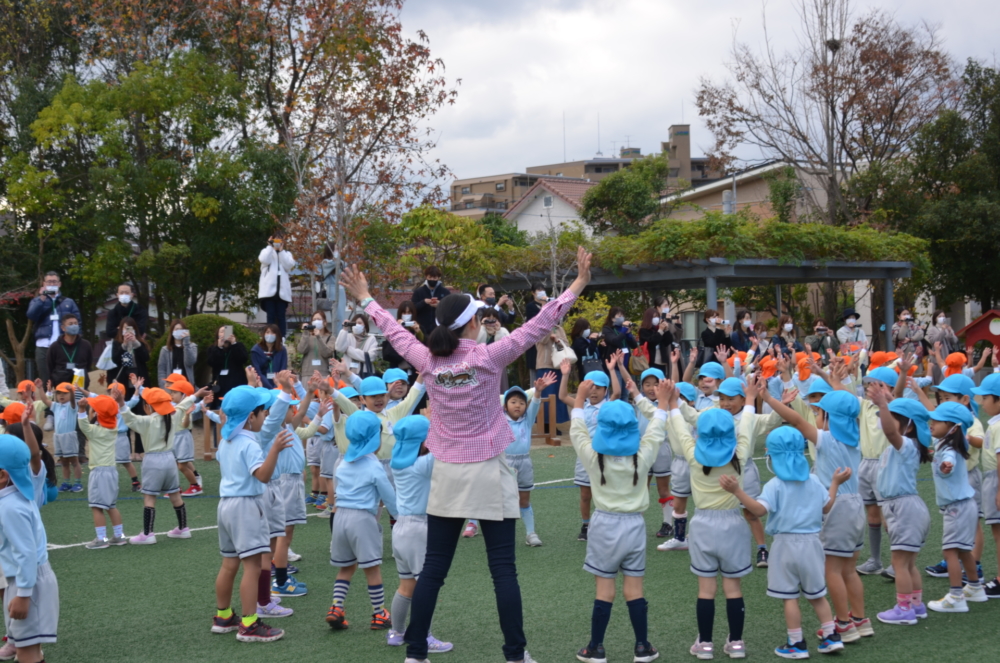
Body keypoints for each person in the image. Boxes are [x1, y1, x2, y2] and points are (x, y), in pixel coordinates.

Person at [339, 246, 592, 663]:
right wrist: (579, 282)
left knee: (434, 570)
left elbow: (395, 331)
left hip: (447, 473)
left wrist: (366, 296)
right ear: (472, 322)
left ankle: (416, 651)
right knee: (503, 571)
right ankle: (515, 653)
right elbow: (540, 323)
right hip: (490, 472)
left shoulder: (427, 357)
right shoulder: (490, 355)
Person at [721, 427, 850, 658]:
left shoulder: (775, 485)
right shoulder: (813, 481)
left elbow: (759, 510)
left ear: (773, 457)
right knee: (817, 595)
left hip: (784, 546)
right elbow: (827, 506)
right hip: (812, 544)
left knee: (789, 596)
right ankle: (831, 636)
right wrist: (835, 483)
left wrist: (737, 491)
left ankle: (796, 642)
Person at [762, 388, 872, 644]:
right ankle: (859, 619)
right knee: (849, 569)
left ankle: (843, 623)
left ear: (828, 417)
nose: (815, 417)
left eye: (819, 412)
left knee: (831, 570)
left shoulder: (828, 439)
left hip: (837, 508)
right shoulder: (853, 441)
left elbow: (798, 422)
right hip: (856, 505)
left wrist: (768, 399)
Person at [571, 382, 669, 663]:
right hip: (635, 526)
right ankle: (642, 647)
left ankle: (596, 648)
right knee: (635, 589)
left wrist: (579, 397)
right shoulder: (642, 456)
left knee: (604, 589)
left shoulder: (593, 456)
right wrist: (661, 403)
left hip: (603, 525)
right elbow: (656, 430)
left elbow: (578, 431)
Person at [663, 382, 753, 660]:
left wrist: (672, 402)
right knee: (733, 587)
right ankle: (736, 643)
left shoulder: (692, 455)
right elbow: (747, 424)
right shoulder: (739, 454)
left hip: (702, 525)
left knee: (706, 589)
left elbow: (679, 427)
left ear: (700, 434)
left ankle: (705, 645)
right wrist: (750, 397)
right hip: (734, 524)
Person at [211, 385, 291, 643]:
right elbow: (263, 476)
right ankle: (249, 623)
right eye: (262, 412)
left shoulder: (226, 441)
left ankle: (223, 616)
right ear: (251, 417)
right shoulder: (251, 443)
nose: (265, 416)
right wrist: (275, 451)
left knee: (229, 563)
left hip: (225, 505)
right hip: (246, 507)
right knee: (253, 566)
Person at [325, 410, 398, 631]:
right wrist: (399, 516)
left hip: (340, 518)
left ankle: (336, 607)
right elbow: (389, 497)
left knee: (346, 568)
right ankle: (379, 614)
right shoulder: (374, 465)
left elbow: (338, 490)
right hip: (363, 520)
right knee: (372, 569)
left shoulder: (343, 463)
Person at [386, 415, 454, 652]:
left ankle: (397, 631)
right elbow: (446, 448)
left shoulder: (398, 463)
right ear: (422, 441)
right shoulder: (422, 465)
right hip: (418, 530)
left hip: (400, 528)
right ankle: (424, 635)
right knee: (426, 585)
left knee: (405, 586)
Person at [866, 389, 932, 625]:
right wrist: (891, 405)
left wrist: (884, 405)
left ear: (909, 427)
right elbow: (895, 426)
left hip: (904, 508)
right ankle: (916, 605)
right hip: (906, 507)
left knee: (900, 564)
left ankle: (904, 610)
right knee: (909, 563)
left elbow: (890, 429)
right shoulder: (903, 446)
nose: (884, 420)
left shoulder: (904, 445)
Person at [0, 436, 59, 662]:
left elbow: (26, 553)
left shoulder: (11, 507)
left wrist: (23, 595)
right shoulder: (16, 496)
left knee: (27, 651)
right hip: (22, 580)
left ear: (3, 475)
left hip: (28, 584)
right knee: (26, 648)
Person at [118, 385, 200, 545]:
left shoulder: (147, 421)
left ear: (147, 406)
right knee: (175, 494)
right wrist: (196, 394)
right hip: (170, 459)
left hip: (152, 461)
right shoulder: (174, 416)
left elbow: (129, 417)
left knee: (149, 497)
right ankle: (183, 528)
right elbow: (183, 405)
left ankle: (148, 534)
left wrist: (121, 402)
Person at [924, 402, 984, 612]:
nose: (931, 423)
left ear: (953, 428)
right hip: (964, 505)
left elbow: (948, 462)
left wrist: (945, 467)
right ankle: (975, 588)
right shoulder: (944, 442)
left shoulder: (950, 449)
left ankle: (956, 597)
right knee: (963, 550)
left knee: (950, 551)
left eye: (937, 421)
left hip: (957, 507)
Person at [503, 377, 556, 547]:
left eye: (521, 402)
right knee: (504, 501)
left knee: (524, 500)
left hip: (524, 463)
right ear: (505, 406)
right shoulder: (500, 419)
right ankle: (502, 535)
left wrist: (538, 391)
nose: (517, 405)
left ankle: (530, 533)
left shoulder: (527, 420)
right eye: (513, 402)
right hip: (505, 463)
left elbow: (535, 403)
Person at [77, 395, 129, 549]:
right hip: (111, 471)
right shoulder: (113, 429)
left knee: (96, 506)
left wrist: (81, 409)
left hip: (99, 471)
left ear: (99, 415)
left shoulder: (95, 431)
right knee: (111, 505)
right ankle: (119, 536)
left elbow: (83, 425)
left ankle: (101, 539)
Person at [26, 271, 81, 395]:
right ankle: (49, 410)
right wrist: (42, 298)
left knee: (65, 376)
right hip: (43, 345)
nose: (52, 284)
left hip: (64, 345)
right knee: (46, 379)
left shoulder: (69, 302)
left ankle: (68, 407)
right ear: (44, 284)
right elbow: (31, 315)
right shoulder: (38, 301)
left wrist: (77, 342)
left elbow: (78, 323)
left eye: (54, 282)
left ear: (59, 284)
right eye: (49, 282)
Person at [971, 373, 1000, 598]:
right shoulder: (994, 424)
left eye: (986, 399)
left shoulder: (998, 425)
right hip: (992, 478)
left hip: (995, 479)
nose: (982, 404)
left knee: (998, 532)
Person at [34, 383, 82, 493]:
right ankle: (66, 483)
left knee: (74, 461)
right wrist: (40, 388)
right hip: (58, 437)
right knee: (63, 461)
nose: (61, 395)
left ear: (71, 394)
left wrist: (72, 393)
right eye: (59, 393)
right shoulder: (55, 406)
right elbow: (45, 400)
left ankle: (78, 483)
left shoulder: (72, 406)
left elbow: (73, 401)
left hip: (69, 436)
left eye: (65, 393)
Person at [257, 233, 296, 337]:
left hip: (282, 292)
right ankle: (269, 336)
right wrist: (270, 247)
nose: (278, 243)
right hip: (269, 291)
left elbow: (289, 265)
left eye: (280, 241)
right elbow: (264, 259)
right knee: (271, 316)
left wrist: (281, 252)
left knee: (281, 316)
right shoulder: (266, 252)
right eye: (276, 241)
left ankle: (282, 338)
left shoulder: (287, 254)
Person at [533, 323, 571, 425]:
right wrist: (548, 327)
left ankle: (554, 423)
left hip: (558, 365)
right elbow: (543, 340)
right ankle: (545, 423)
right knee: (546, 395)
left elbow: (566, 345)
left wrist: (557, 340)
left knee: (557, 395)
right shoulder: (539, 327)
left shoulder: (559, 328)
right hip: (544, 365)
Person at [46, 313, 93, 390]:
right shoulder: (54, 347)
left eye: (75, 323)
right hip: (62, 387)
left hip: (81, 386)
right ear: (63, 328)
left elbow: (88, 364)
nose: (74, 326)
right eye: (70, 324)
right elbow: (50, 366)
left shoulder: (86, 345)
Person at [206, 325, 250, 405]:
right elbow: (211, 362)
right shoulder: (213, 348)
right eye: (221, 331)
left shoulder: (238, 346)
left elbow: (243, 359)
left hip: (236, 382)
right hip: (220, 384)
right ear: (218, 335)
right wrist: (219, 348)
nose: (224, 334)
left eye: (226, 332)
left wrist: (234, 344)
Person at [411, 266, 449, 337]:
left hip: (439, 330)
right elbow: (412, 308)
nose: (432, 279)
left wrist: (440, 305)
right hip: (421, 329)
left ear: (438, 278)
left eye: (434, 278)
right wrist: (424, 302)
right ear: (426, 277)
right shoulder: (418, 292)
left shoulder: (445, 292)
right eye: (430, 277)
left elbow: (450, 310)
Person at [157, 319, 197, 387]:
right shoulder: (165, 350)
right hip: (170, 387)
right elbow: (161, 370)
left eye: (181, 329)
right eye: (176, 329)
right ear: (172, 331)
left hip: (186, 385)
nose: (179, 331)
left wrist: (186, 343)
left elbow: (190, 362)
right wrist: (164, 386)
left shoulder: (192, 346)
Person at [297, 312, 335, 377]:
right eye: (314, 320)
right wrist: (305, 332)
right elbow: (301, 350)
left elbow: (327, 353)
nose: (316, 321)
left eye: (319, 319)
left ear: (325, 323)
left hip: (323, 374)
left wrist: (318, 337)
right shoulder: (307, 336)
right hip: (307, 373)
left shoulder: (331, 337)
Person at [523, 282, 548, 380]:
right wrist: (543, 305)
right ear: (533, 293)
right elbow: (537, 321)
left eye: (543, 290)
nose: (542, 292)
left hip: (547, 343)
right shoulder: (530, 306)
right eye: (539, 290)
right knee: (535, 373)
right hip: (534, 344)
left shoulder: (548, 303)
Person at [640, 307, 675, 377]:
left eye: (657, 316)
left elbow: (668, 341)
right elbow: (652, 342)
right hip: (650, 360)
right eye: (653, 317)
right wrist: (660, 331)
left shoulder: (658, 328)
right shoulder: (643, 330)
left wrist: (666, 330)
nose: (656, 318)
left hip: (662, 360)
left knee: (662, 379)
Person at [251, 325, 288, 390]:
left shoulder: (282, 350)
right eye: (267, 332)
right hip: (261, 386)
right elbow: (257, 371)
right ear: (264, 334)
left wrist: (277, 385)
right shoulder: (256, 350)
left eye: (272, 332)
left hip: (278, 385)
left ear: (277, 335)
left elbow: (283, 369)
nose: (269, 335)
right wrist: (269, 387)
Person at [569, 318, 602, 382]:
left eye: (589, 328)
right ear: (580, 329)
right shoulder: (578, 341)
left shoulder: (587, 340)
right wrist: (593, 340)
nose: (588, 330)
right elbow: (588, 353)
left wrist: (600, 345)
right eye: (586, 329)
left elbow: (596, 352)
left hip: (595, 367)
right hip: (585, 369)